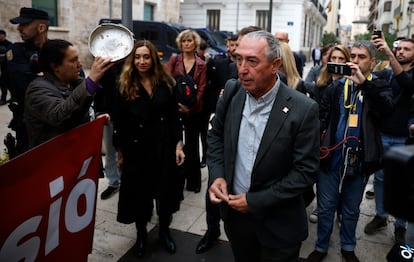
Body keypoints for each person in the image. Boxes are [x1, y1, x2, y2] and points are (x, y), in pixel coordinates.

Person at [208, 30, 320, 262]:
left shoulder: (303, 109)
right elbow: (216, 136)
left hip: (279, 226)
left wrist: (255, 201)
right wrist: (218, 176)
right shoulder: (232, 90)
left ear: (275, 65)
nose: (242, 69)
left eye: (252, 61)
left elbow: (305, 172)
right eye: (239, 59)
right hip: (236, 219)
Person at [306, 40, 393, 262]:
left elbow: (386, 110)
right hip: (332, 157)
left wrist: (365, 85)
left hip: (361, 160)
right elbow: (322, 116)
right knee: (325, 208)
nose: (354, 60)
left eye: (361, 57)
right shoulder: (336, 87)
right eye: (352, 56)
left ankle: (347, 246)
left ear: (372, 62)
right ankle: (321, 246)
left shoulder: (379, 85)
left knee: (352, 209)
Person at [112, 40, 185, 257]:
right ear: (132, 60)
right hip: (136, 150)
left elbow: (174, 117)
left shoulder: (166, 83)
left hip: (162, 147)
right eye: (137, 57)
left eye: (146, 57)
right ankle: (141, 235)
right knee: (140, 196)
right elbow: (120, 123)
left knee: (165, 194)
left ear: (153, 59)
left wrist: (178, 145)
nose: (142, 61)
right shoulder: (124, 84)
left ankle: (164, 232)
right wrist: (120, 154)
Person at [363, 37, 414, 245]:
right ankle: (381, 216)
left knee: (403, 183)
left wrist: (389, 54)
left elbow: (407, 85)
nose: (400, 52)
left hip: (405, 138)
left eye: (406, 49)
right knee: (381, 178)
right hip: (383, 133)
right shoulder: (387, 70)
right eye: (398, 48)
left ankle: (400, 226)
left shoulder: (407, 73)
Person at [24, 39, 113, 148]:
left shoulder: (75, 84)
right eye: (73, 60)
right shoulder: (37, 90)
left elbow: (78, 113)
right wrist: (91, 81)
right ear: (55, 67)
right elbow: (61, 117)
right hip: (56, 161)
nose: (79, 64)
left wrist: (94, 117)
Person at [306, 45, 351, 225]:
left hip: (343, 136)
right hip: (322, 136)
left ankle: (339, 208)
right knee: (323, 174)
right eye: (335, 59)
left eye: (342, 59)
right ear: (327, 59)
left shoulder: (352, 82)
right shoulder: (321, 81)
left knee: (342, 176)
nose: (338, 63)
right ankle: (322, 205)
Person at [6, 7, 50, 157]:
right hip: (27, 124)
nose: (19, 28)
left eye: (24, 24)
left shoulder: (60, 49)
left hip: (56, 121)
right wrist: (56, 76)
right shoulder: (16, 51)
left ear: (41, 27)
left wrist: (42, 75)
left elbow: (77, 78)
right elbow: (24, 82)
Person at [167, 29, 207, 193]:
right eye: (184, 41)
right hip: (175, 109)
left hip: (194, 110)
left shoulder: (202, 64)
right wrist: (176, 105)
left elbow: (202, 89)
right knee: (175, 144)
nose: (186, 44)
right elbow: (167, 81)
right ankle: (177, 180)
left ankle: (193, 182)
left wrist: (189, 108)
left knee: (192, 145)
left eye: (189, 41)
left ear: (195, 43)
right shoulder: (174, 59)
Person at [94, 65, 122, 200]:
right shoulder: (103, 65)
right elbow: (98, 91)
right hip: (108, 115)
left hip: (128, 115)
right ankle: (113, 182)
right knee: (110, 152)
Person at [0, 29, 13, 105]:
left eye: (1, 35)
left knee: (8, 83)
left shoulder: (9, 44)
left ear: (4, 36)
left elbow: (10, 56)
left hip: (7, 68)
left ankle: (13, 97)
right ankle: (3, 99)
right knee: (2, 84)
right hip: (1, 68)